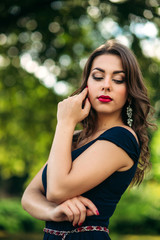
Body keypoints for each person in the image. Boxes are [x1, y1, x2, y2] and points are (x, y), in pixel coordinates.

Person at [21, 39, 153, 240]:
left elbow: (56, 190)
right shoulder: (75, 138)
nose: (106, 85)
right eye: (98, 77)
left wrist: (65, 122)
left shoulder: (122, 138)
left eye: (118, 80)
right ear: (87, 84)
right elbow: (29, 195)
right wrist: (52, 212)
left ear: (129, 91)